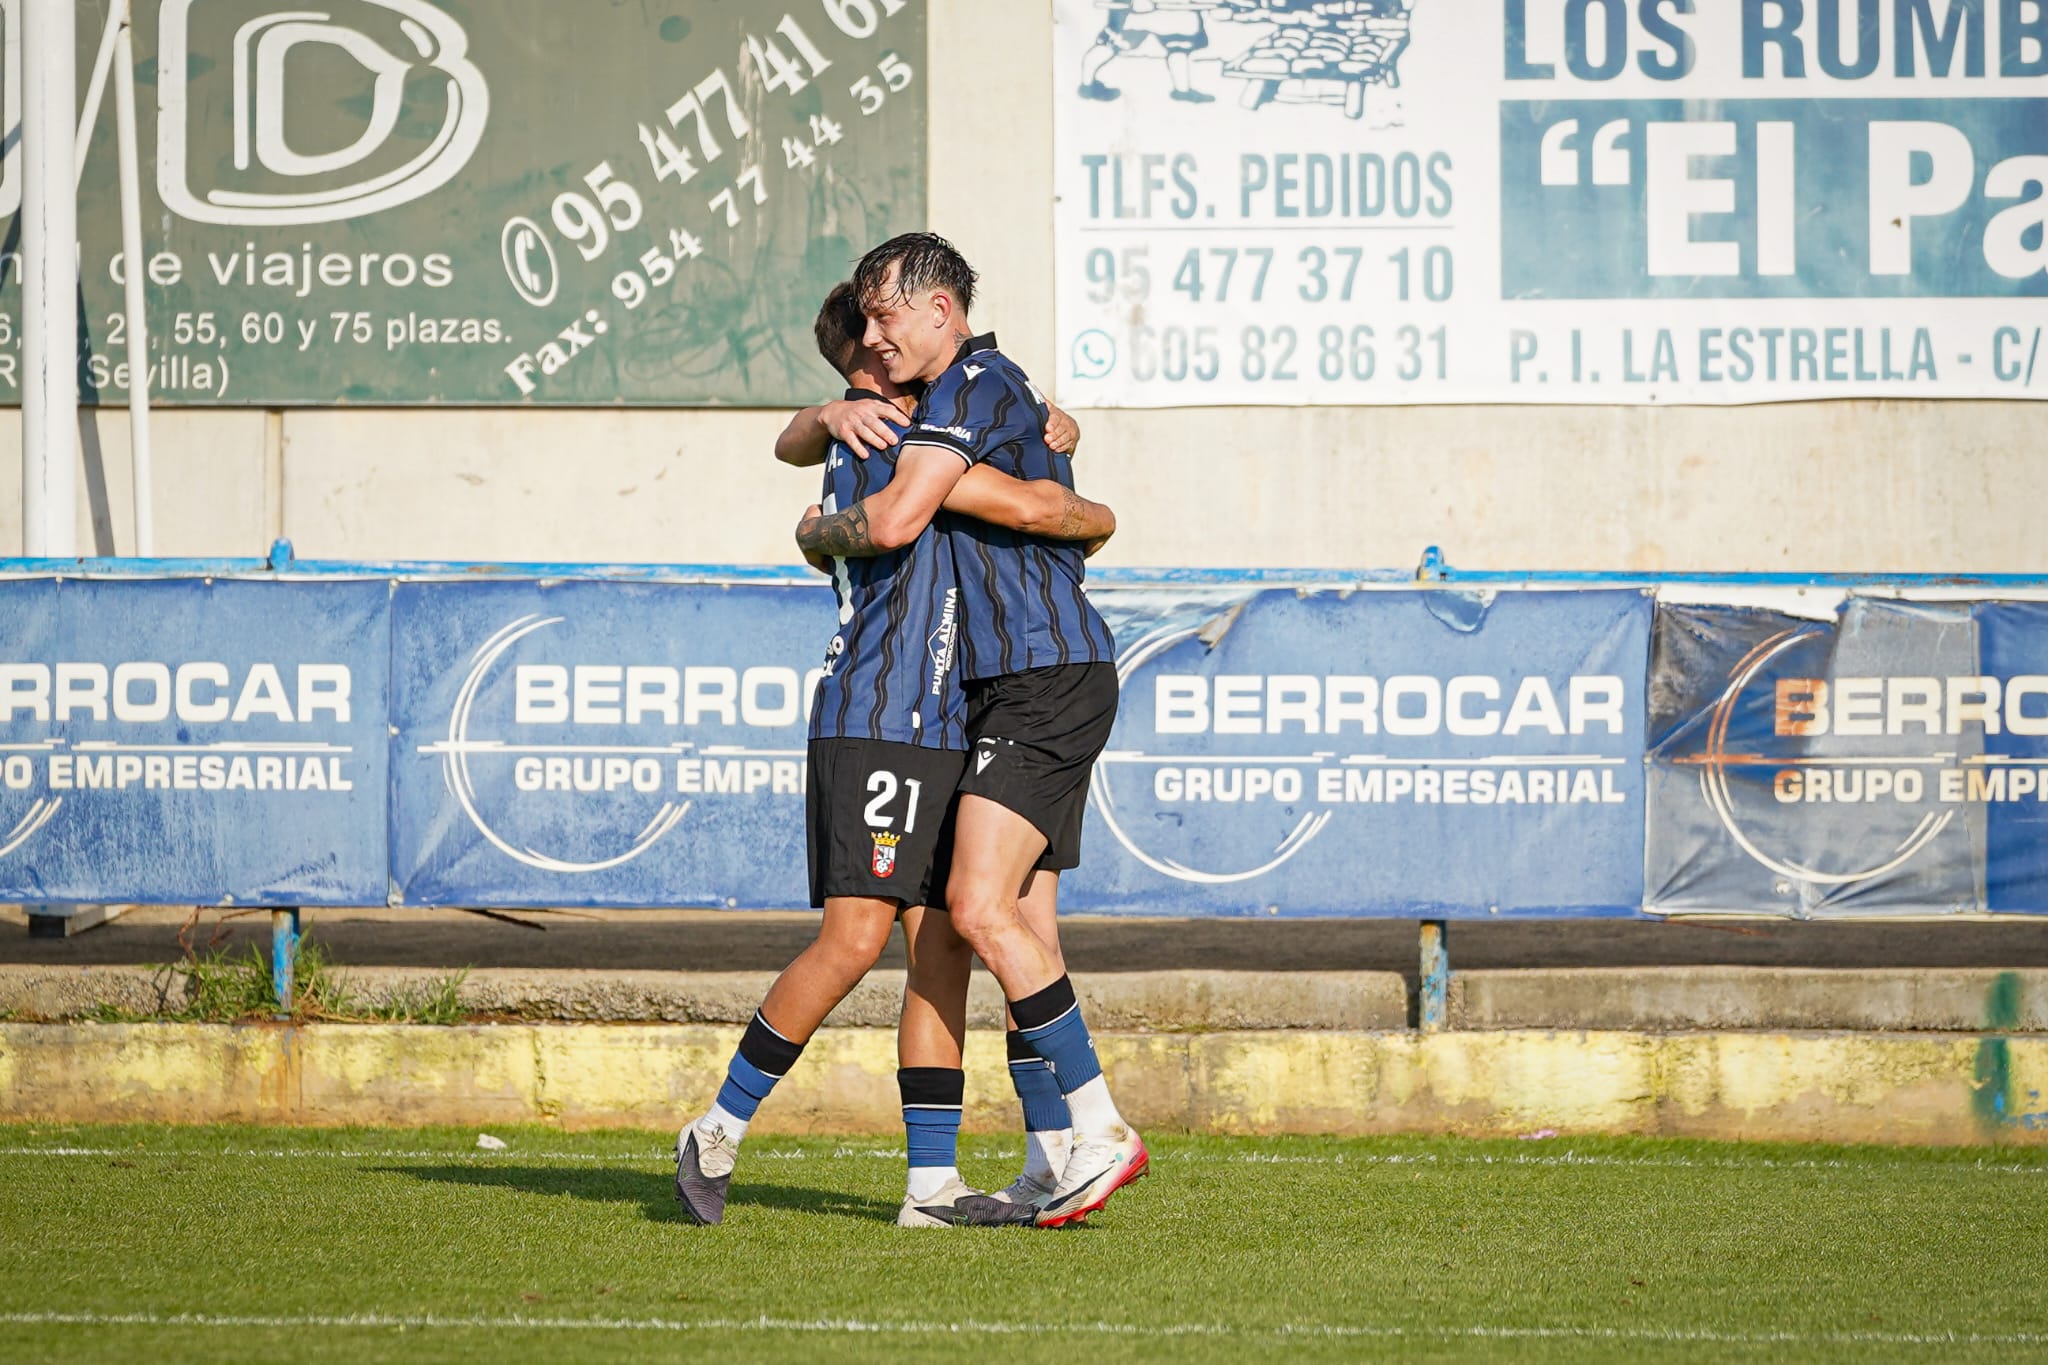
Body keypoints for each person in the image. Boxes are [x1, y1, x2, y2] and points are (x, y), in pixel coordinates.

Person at [674, 283, 1116, 1229]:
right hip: (877, 716)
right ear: (865, 369)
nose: (898, 353)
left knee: (945, 949)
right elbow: (985, 505)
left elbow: (808, 449)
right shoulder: (883, 437)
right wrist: (1079, 501)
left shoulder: (922, 424)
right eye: (878, 344)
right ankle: (716, 1128)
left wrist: (1050, 434)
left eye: (898, 332)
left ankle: (931, 1185)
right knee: (852, 942)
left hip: (949, 718)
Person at [794, 233, 1147, 1227]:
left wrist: (812, 531)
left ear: (938, 310)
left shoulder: (968, 391)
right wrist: (823, 418)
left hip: (1044, 677)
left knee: (978, 909)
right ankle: (1049, 1155)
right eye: (863, 339)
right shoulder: (962, 399)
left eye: (885, 321)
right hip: (1003, 684)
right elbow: (1048, 496)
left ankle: (1101, 1128)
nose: (876, 344)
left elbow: (908, 517)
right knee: (1024, 926)